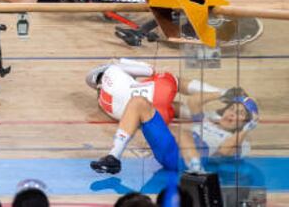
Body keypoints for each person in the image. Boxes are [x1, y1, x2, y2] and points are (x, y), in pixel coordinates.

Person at [87, 59, 259, 174]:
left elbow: (223, 151)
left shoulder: (241, 142)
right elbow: (194, 103)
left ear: (246, 123)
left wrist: (247, 128)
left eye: (239, 114)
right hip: (170, 150)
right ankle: (113, 158)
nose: (231, 114)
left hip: (186, 162)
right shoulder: (209, 120)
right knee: (138, 102)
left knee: (183, 133)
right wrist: (222, 94)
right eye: (232, 109)